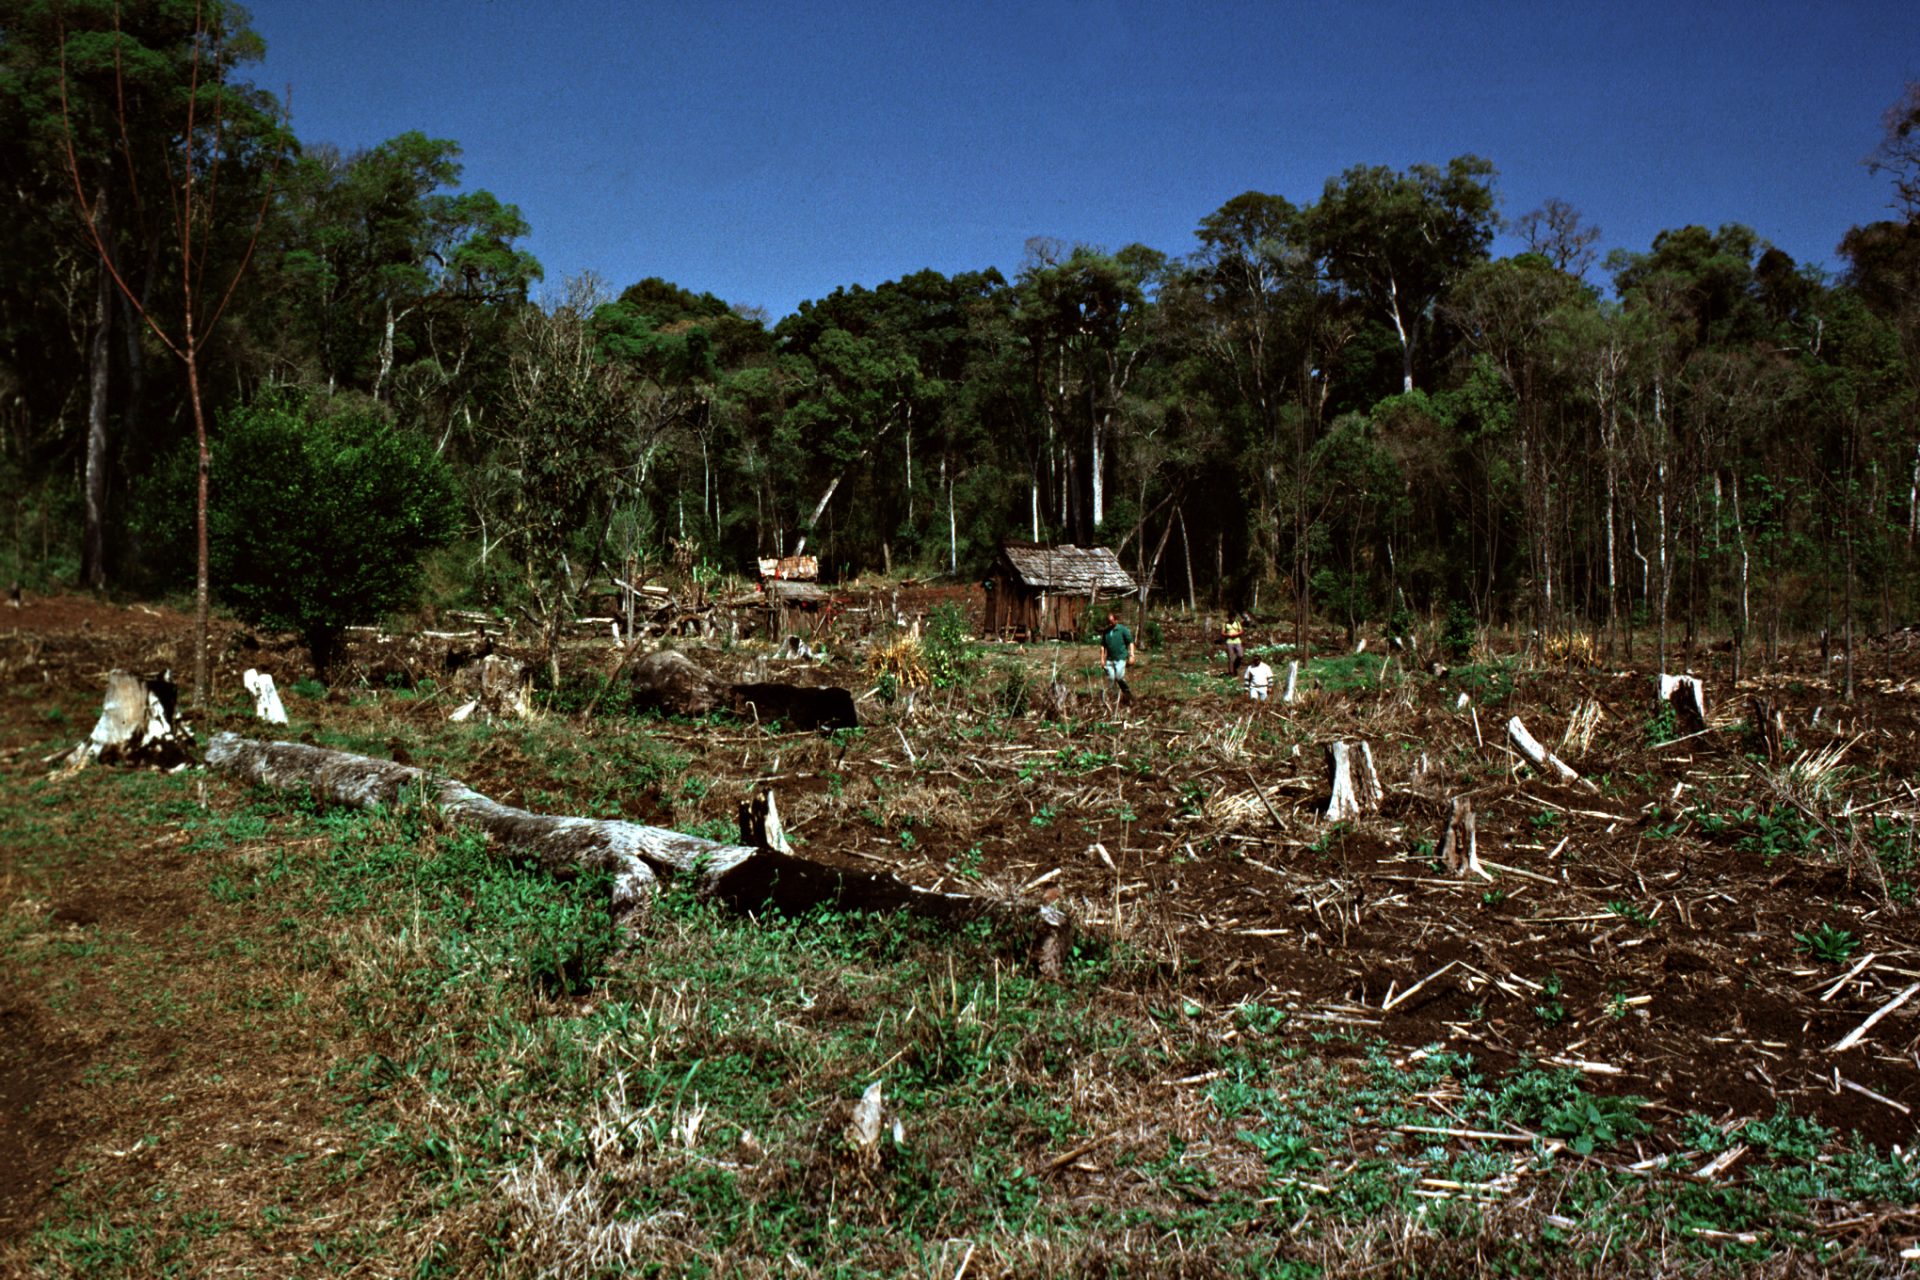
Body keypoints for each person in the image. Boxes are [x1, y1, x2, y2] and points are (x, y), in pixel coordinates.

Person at [1097, 610, 1135, 703]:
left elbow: (1130, 642)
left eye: (1111, 621)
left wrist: (1132, 655)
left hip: (1120, 657)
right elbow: (1103, 646)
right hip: (1109, 659)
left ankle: (1127, 693)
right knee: (1111, 678)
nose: (1109, 624)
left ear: (1116, 620)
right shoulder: (1106, 632)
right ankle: (1114, 697)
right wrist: (1102, 659)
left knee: (1119, 676)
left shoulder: (1122, 630)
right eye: (1108, 622)